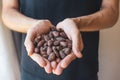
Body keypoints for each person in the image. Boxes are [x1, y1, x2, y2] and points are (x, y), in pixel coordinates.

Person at [2, 0, 119, 80]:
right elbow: (8, 11)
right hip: (33, 66)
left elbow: (111, 11)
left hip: (83, 66)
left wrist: (77, 23)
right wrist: (33, 25)